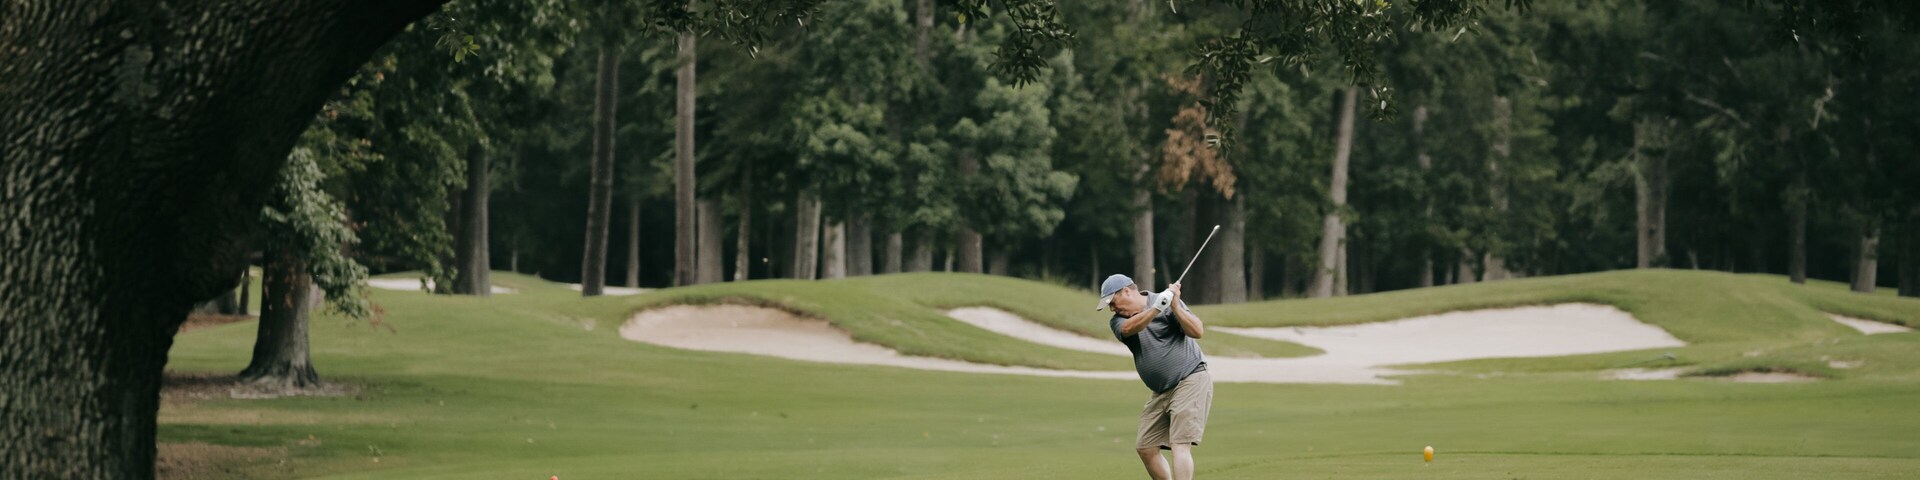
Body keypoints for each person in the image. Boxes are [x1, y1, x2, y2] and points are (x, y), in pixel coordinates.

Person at [1096, 273, 1212, 480]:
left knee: (1179, 443)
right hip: (1161, 391)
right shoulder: (1118, 322)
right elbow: (1133, 327)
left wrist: (1174, 306)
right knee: (1146, 447)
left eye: (1113, 303)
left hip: (1191, 378)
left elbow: (1197, 331)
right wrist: (1157, 308)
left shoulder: (1168, 301)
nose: (1113, 309)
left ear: (1127, 292)